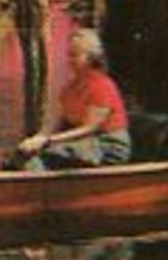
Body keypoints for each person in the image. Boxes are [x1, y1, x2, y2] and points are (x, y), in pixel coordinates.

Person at [14, 27, 131, 170]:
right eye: (69, 55)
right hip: (84, 142)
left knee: (43, 156)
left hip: (107, 145)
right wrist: (37, 139)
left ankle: (38, 189)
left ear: (91, 57)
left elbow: (89, 128)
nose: (70, 60)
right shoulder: (70, 87)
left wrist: (48, 141)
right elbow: (53, 122)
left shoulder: (102, 86)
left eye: (75, 55)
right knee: (24, 154)